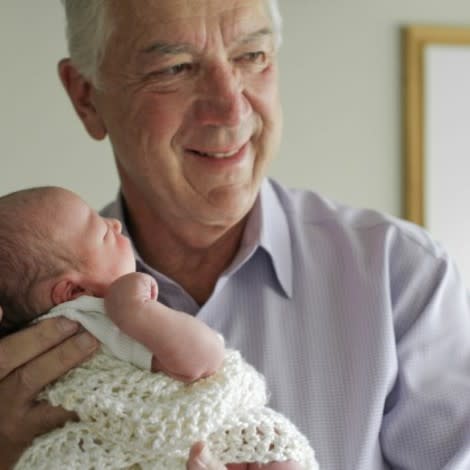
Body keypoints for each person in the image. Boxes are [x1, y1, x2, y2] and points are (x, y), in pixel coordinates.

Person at [1, 1, 470, 469]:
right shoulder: (22, 308)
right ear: (86, 97)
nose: (229, 108)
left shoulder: (404, 275)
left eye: (251, 56)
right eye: (176, 67)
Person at [0, 186, 314, 469]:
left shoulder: (27, 345)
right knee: (276, 447)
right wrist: (138, 310)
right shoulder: (102, 319)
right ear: (74, 294)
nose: (115, 224)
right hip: (176, 440)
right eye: (104, 235)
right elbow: (202, 361)